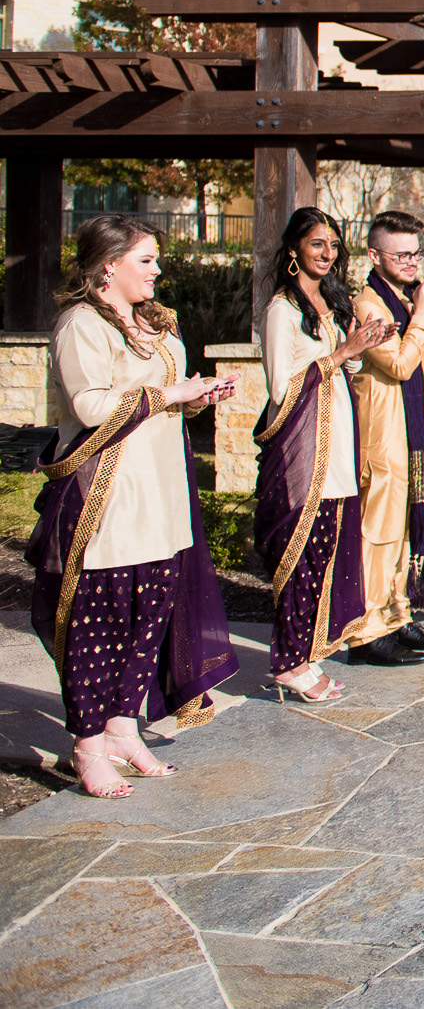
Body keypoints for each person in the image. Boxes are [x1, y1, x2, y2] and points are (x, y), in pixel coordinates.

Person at [29, 215, 238, 798]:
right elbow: (91, 405)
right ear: (108, 266)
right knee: (99, 625)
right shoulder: (81, 325)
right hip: (109, 500)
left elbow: (165, 399)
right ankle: (88, 745)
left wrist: (198, 396)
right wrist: (171, 392)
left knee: (148, 619)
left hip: (163, 496)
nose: (157, 269)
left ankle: (123, 729)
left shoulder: (151, 322)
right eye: (145, 260)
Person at [256, 207, 390, 702]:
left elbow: (339, 371)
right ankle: (290, 662)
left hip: (334, 447)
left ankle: (305, 653)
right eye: (317, 244)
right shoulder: (282, 311)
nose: (327, 253)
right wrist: (339, 353)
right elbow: (279, 387)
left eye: (333, 245)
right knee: (300, 556)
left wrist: (361, 345)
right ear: (294, 250)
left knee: (323, 555)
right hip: (299, 454)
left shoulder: (325, 305)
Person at [349, 211, 424, 665]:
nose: (412, 262)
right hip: (385, 431)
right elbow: (396, 365)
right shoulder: (367, 303)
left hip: (418, 431)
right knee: (380, 530)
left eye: (417, 253)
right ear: (374, 255)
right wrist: (422, 321)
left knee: (408, 528)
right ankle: (368, 630)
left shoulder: (411, 299)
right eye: (401, 254)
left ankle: (398, 615)